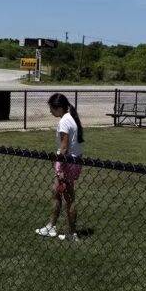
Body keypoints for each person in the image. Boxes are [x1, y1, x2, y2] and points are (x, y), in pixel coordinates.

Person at [36, 93, 85, 241]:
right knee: (56, 193)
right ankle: (52, 226)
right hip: (74, 162)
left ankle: (72, 233)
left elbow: (64, 148)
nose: (50, 111)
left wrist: (60, 170)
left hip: (66, 163)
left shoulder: (64, 121)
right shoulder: (71, 118)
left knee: (69, 198)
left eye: (51, 108)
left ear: (58, 108)